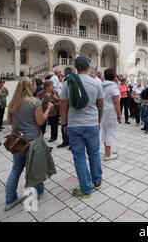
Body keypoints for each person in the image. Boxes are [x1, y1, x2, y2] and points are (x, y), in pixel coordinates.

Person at [5, 77, 53, 211]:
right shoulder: (35, 102)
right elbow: (40, 121)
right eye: (33, 85)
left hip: (18, 140)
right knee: (35, 166)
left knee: (16, 169)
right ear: (29, 87)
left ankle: (10, 199)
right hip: (33, 140)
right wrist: (48, 109)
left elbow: (9, 122)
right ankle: (39, 191)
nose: (35, 87)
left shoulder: (13, 103)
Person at [60, 57, 104, 198]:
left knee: (79, 157)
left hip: (74, 125)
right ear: (88, 66)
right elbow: (100, 105)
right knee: (94, 153)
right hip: (92, 124)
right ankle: (97, 181)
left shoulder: (68, 82)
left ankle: (86, 188)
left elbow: (63, 107)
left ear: (75, 67)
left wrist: (64, 123)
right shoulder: (96, 82)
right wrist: (98, 121)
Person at [100, 69, 122, 161]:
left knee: (105, 131)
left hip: (103, 111)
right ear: (114, 77)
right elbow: (116, 102)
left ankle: (108, 150)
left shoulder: (101, 85)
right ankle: (108, 154)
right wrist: (119, 114)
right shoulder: (113, 87)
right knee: (110, 132)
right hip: (111, 111)